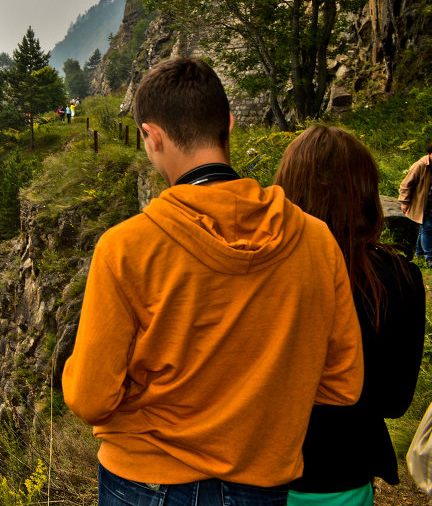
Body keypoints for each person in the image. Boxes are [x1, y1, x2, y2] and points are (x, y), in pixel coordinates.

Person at [62, 56, 363, 506]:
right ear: (229, 122)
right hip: (262, 481)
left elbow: (89, 398)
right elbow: (343, 384)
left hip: (146, 481)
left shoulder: (126, 247)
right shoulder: (316, 241)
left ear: (151, 136)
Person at [275, 125, 425, 506]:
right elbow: (394, 401)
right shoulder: (398, 277)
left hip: (259, 467)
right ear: (366, 192)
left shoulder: (258, 268)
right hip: (345, 470)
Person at [399, 142, 432, 262]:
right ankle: (429, 258)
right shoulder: (420, 165)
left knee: (424, 229)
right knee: (427, 228)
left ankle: (419, 253)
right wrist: (404, 202)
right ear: (429, 153)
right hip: (421, 204)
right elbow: (406, 185)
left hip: (431, 204)